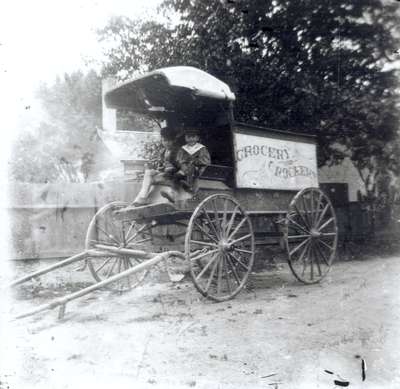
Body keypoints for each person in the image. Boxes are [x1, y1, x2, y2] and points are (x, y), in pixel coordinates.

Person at [132, 127, 179, 206]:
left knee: (149, 177)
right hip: (164, 174)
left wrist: (171, 168)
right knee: (149, 173)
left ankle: (143, 198)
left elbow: (180, 167)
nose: (166, 143)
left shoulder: (178, 151)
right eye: (164, 140)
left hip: (173, 177)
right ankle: (142, 197)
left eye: (169, 140)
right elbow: (161, 164)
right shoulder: (163, 151)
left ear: (173, 140)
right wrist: (160, 168)